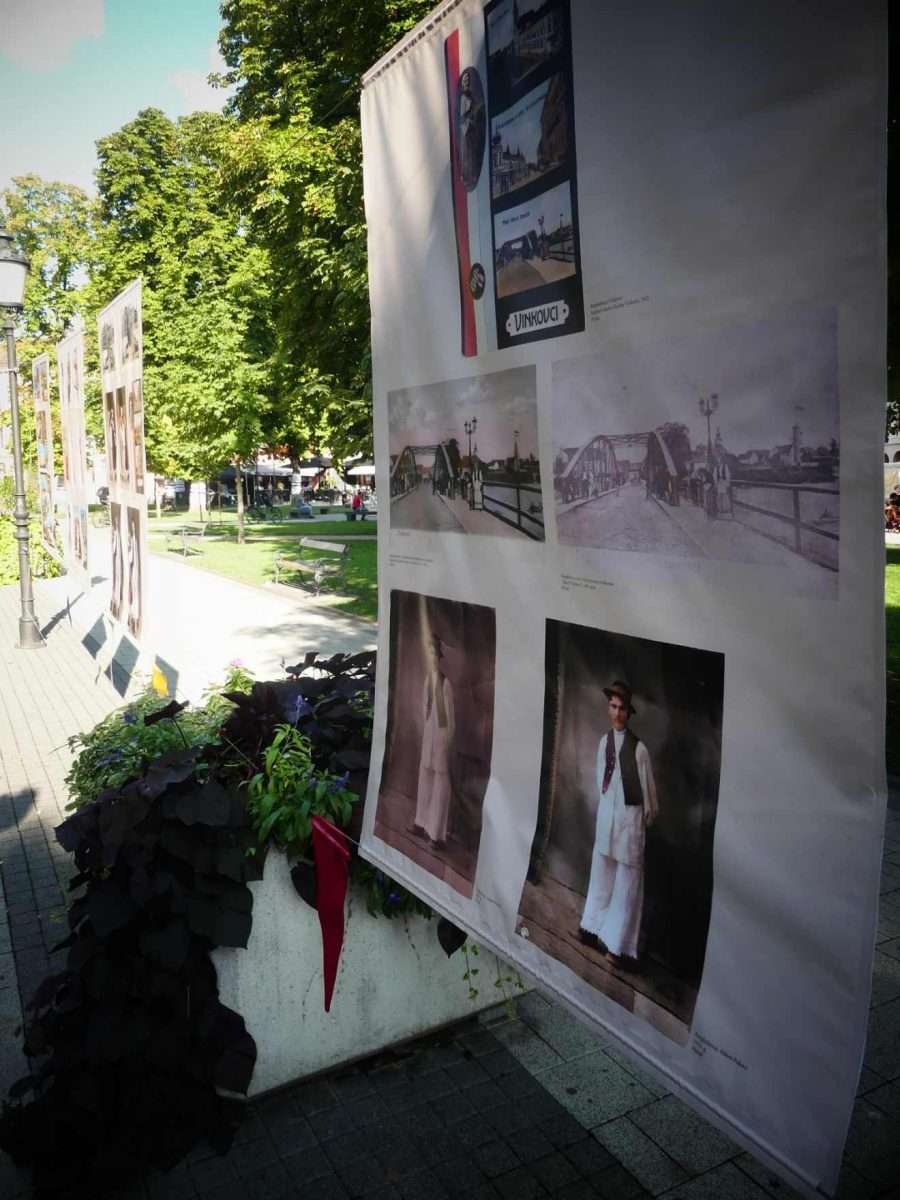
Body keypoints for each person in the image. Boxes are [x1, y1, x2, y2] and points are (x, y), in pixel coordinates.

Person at [579, 681, 657, 966]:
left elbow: (650, 800)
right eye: (613, 706)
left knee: (626, 883)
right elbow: (601, 781)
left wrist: (638, 822)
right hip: (607, 819)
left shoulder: (640, 750)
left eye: (622, 708)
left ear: (629, 712)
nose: (617, 713)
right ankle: (592, 927)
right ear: (608, 707)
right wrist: (607, 810)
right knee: (601, 872)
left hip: (629, 822)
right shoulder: (604, 742)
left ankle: (617, 945)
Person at [410, 635, 456, 849]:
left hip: (440, 741)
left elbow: (447, 720)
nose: (432, 659)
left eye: (434, 655)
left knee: (440, 785)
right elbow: (425, 712)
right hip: (428, 738)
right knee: (425, 779)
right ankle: (421, 823)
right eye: (429, 655)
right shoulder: (429, 680)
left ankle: (436, 835)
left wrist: (444, 744)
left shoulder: (444, 684)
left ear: (439, 657)